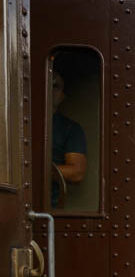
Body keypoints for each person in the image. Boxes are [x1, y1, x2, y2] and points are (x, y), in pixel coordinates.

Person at [51, 70, 87, 207]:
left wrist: (37, 170)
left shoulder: (71, 128)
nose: (49, 88)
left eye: (55, 85)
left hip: (49, 205)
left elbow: (77, 172)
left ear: (62, 96)